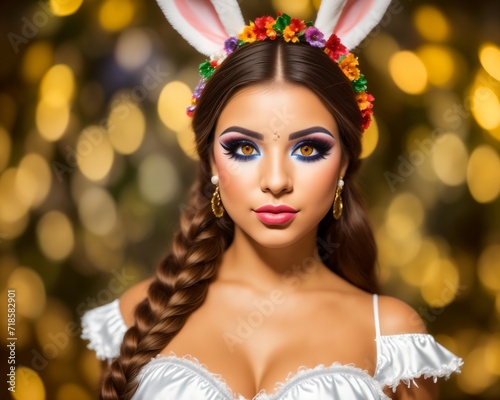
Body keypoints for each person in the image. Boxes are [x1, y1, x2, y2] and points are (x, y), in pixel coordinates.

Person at [81, 1, 463, 399]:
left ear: (345, 163)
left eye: (309, 149)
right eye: (244, 149)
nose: (276, 181)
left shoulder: (392, 336)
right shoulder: (138, 315)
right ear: (210, 157)